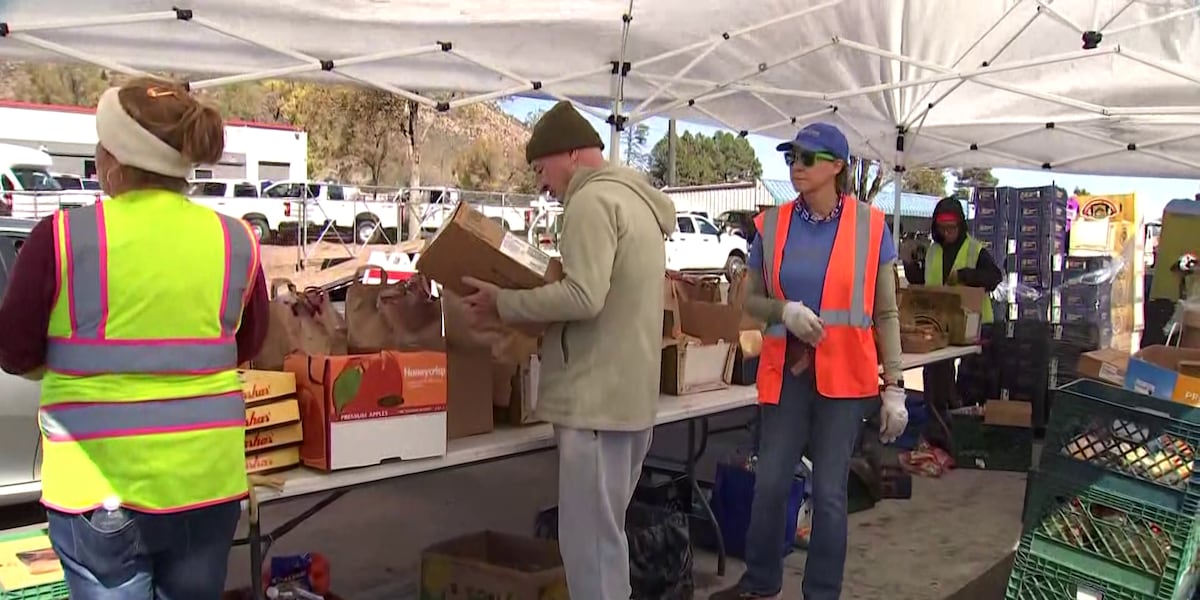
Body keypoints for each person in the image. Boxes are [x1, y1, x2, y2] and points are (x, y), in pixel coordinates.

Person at [0, 77, 269, 599]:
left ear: (114, 163)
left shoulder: (60, 239)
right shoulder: (236, 240)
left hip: (98, 488)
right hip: (206, 487)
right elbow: (248, 342)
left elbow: (15, 352)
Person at [459, 100, 675, 600]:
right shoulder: (636, 201)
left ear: (572, 154)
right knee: (606, 538)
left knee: (588, 546)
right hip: (628, 400)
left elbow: (584, 295)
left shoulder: (590, 203)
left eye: (541, 168)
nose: (541, 183)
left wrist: (505, 303)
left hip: (594, 401)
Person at [711, 122, 906, 600]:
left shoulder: (871, 226)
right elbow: (747, 300)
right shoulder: (771, 224)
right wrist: (785, 312)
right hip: (786, 373)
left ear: (837, 167)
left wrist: (895, 386)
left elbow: (885, 311)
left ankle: (821, 593)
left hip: (845, 378)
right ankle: (760, 582)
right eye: (791, 158)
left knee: (830, 493)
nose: (796, 166)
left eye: (807, 158)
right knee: (772, 480)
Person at [903, 196, 1002, 413]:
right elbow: (923, 281)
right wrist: (909, 264)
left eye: (951, 228)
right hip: (940, 324)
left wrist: (967, 275)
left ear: (961, 225)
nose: (947, 233)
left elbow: (994, 277)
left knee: (971, 382)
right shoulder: (933, 251)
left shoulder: (975, 249)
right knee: (936, 376)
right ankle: (937, 417)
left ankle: (963, 417)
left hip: (975, 325)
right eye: (942, 228)